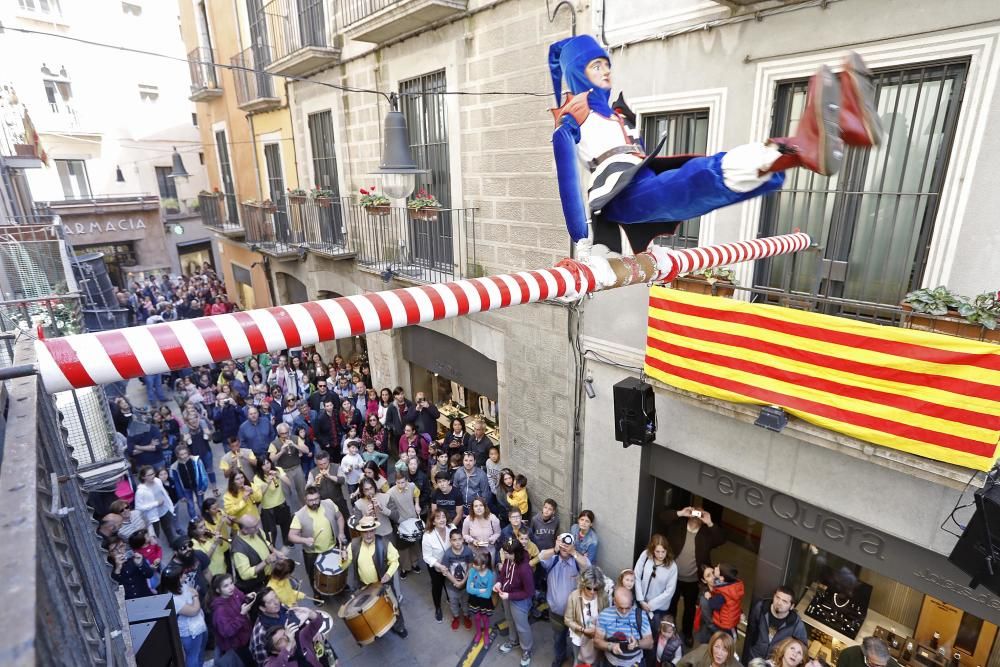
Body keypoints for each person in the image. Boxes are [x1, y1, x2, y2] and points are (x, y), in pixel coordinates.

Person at [547, 35, 880, 257]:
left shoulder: (619, 113)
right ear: (579, 72)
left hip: (642, 179)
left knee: (708, 177)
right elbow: (567, 182)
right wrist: (581, 240)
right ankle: (802, 144)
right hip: (616, 197)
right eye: (596, 66)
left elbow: (641, 158)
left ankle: (810, 145)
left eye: (607, 64)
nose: (605, 72)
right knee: (698, 178)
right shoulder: (574, 114)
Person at [341, 515, 408, 637]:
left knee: (393, 605)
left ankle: (399, 627)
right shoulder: (354, 545)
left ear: (374, 531)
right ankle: (377, 628)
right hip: (364, 588)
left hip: (383, 585)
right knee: (368, 610)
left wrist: (388, 574)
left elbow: (395, 560)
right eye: (365, 532)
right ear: (360, 532)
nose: (368, 535)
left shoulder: (384, 542)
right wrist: (342, 558)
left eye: (371, 531)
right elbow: (343, 566)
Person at [664, 506, 725, 641]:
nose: (696, 516)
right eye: (694, 513)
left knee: (690, 609)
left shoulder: (706, 534)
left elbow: (721, 540)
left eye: (699, 515)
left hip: (692, 580)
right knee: (671, 605)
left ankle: (687, 633)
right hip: (673, 577)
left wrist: (709, 522)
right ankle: (669, 631)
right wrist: (680, 513)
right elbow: (662, 517)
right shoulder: (677, 526)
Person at [539, 532, 592, 667]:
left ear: (573, 546)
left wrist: (574, 552)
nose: (565, 548)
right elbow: (541, 556)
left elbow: (588, 566)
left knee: (577, 641)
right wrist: (555, 549)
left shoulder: (576, 561)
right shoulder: (553, 558)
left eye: (568, 546)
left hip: (575, 614)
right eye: (562, 544)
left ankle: (576, 660)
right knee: (558, 638)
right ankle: (560, 657)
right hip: (556, 613)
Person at [289, 486, 347, 597]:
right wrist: (304, 540)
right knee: (313, 574)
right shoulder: (299, 516)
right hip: (313, 553)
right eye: (311, 500)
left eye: (316, 499)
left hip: (332, 546)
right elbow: (291, 536)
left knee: (340, 567)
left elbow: (339, 517)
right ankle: (317, 592)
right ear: (305, 500)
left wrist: (340, 532)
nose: (314, 502)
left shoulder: (329, 503)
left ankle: (340, 585)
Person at [635, 534, 678, 662]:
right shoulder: (645, 556)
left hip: (658, 610)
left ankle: (649, 663)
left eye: (663, 552)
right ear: (652, 550)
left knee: (652, 637)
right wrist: (641, 599)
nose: (660, 555)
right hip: (641, 603)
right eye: (657, 551)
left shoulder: (672, 566)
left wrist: (651, 605)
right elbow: (636, 575)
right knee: (638, 632)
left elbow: (669, 592)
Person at [496, 536, 536, 666]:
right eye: (504, 552)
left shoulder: (525, 568)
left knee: (522, 626)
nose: (505, 555)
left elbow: (529, 592)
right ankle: (513, 641)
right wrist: (499, 583)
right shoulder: (509, 559)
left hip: (519, 600)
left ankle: (526, 649)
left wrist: (509, 596)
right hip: (506, 594)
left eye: (507, 553)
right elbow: (504, 573)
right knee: (510, 620)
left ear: (516, 553)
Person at [742, 587, 809, 665]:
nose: (779, 603)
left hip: (775, 663)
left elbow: (803, 650)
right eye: (777, 597)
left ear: (791, 606)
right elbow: (750, 632)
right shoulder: (761, 608)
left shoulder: (796, 624)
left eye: (784, 601)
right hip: (753, 658)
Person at [161, 565, 209, 667]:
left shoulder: (182, 586)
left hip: (198, 625)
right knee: (192, 657)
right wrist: (196, 596)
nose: (185, 575)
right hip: (190, 632)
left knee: (199, 652)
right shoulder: (173, 599)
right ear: (175, 580)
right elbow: (194, 610)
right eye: (182, 575)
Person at [596, 586, 654, 667]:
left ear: (632, 603)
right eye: (620, 608)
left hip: (635, 663)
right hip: (611, 663)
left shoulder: (641, 615)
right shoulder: (604, 615)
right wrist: (611, 646)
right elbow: (597, 641)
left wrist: (637, 643)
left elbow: (650, 643)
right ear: (614, 602)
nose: (624, 612)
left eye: (627, 608)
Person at [565, 566, 609, 667]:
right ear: (583, 584)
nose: (592, 591)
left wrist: (599, 631)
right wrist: (583, 630)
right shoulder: (574, 596)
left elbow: (606, 617)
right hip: (579, 636)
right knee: (579, 661)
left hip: (597, 636)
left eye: (596, 588)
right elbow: (568, 619)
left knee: (595, 661)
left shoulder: (603, 596)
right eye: (589, 588)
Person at [208, 573, 255, 665]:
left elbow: (241, 598)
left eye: (231, 583)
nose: (231, 587)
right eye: (226, 586)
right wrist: (242, 615)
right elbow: (227, 632)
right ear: (218, 590)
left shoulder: (233, 592)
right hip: (236, 646)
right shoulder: (220, 611)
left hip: (245, 637)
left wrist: (247, 597)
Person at [231, 514, 284, 593]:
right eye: (254, 526)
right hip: (255, 585)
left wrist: (276, 551)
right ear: (245, 530)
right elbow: (245, 574)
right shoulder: (238, 550)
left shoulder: (256, 531)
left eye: (257, 524)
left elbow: (265, 541)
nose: (258, 527)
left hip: (266, 576)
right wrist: (266, 562)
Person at [262, 607, 329, 667]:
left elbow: (317, 622)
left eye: (285, 633)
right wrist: (289, 644)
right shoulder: (273, 662)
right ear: (274, 651)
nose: (287, 637)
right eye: (280, 640)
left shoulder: (300, 637)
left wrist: (309, 613)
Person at [422, 509, 455, 623]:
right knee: (437, 587)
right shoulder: (427, 536)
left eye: (443, 517)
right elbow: (426, 556)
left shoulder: (452, 528)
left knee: (450, 583)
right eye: (438, 517)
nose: (442, 520)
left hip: (452, 564)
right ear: (433, 522)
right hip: (436, 566)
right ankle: (438, 607)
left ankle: (450, 598)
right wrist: (439, 566)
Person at [252, 457, 293, 548]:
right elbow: (260, 495)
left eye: (268, 463)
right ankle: (271, 548)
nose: (266, 466)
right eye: (263, 464)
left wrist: (278, 476)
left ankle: (288, 543)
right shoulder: (257, 478)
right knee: (271, 531)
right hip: (268, 508)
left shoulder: (278, 470)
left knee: (286, 526)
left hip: (281, 503)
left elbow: (289, 483)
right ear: (260, 467)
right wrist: (268, 482)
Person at [387, 471, 422, 577]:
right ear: (395, 482)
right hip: (401, 523)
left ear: (407, 481)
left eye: (403, 482)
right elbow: (389, 507)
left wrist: (417, 504)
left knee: (414, 545)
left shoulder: (411, 486)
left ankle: (414, 563)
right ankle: (405, 568)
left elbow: (417, 493)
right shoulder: (390, 492)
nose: (401, 485)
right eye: (398, 483)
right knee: (403, 547)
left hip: (413, 520)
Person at [268, 423, 309, 510]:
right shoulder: (274, 443)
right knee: (287, 493)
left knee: (302, 490)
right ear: (278, 433)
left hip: (297, 468)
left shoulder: (295, 438)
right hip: (284, 471)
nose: (285, 435)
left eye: (287, 433)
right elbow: (272, 459)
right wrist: (281, 451)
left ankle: (307, 508)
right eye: (282, 434)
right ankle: (292, 513)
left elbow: (306, 450)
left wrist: (294, 445)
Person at [440, 528, 474, 631]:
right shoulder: (447, 554)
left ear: (463, 539)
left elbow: (470, 566)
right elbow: (445, 571)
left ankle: (466, 615)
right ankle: (455, 617)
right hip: (451, 586)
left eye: (459, 539)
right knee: (453, 603)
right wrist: (456, 582)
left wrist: (463, 582)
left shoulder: (468, 551)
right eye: (454, 540)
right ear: (450, 541)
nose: (457, 542)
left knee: (465, 601)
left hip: (465, 584)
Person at [700, 564, 744, 642]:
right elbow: (710, 623)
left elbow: (731, 602)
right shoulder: (705, 599)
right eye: (708, 576)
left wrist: (740, 612)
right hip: (715, 636)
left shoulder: (723, 588)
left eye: (713, 572)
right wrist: (723, 636)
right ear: (704, 580)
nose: (713, 577)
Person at [134, 465, 178, 542]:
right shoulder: (140, 491)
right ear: (143, 477)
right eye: (150, 475)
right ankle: (156, 550)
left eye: (153, 473)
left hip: (164, 510)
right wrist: (156, 503)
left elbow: (163, 493)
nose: (153, 476)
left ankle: (173, 544)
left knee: (168, 528)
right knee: (155, 534)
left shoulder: (158, 481)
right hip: (152, 516)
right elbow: (138, 507)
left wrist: (169, 504)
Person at [306, 450, 350, 522]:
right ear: (316, 463)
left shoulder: (336, 467)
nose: (323, 466)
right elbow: (307, 489)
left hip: (338, 501)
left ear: (328, 460)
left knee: (345, 521)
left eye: (325, 463)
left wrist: (330, 476)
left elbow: (343, 480)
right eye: (320, 464)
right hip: (323, 504)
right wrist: (315, 482)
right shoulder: (312, 472)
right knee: (330, 523)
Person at [169, 444, 209, 522]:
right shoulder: (175, 467)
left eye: (185, 453)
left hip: (198, 486)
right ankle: (193, 518)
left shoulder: (196, 460)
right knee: (190, 505)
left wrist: (203, 486)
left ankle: (204, 516)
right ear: (178, 455)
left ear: (188, 452)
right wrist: (181, 495)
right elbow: (177, 481)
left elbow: (203, 474)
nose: (184, 456)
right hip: (186, 488)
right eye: (181, 454)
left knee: (201, 503)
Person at [466, 551, 496, 647]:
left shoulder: (490, 575)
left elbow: (487, 595)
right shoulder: (472, 571)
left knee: (485, 618)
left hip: (485, 602)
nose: (473, 566)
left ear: (483, 566)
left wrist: (474, 589)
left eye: (476, 565)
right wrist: (481, 590)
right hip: (474, 600)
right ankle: (478, 633)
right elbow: (468, 589)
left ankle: (486, 634)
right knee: (477, 617)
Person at [452, 451, 492, 516]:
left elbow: (485, 494)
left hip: (476, 507)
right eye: (466, 460)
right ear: (463, 461)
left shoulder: (481, 474)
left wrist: (481, 508)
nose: (468, 463)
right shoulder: (458, 472)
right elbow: (455, 490)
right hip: (462, 506)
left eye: (471, 460)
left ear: (475, 461)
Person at [383, 386, 414, 459]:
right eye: (398, 394)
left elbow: (413, 417)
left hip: (408, 433)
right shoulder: (391, 406)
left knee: (409, 452)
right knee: (398, 455)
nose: (400, 396)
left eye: (402, 394)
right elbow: (387, 421)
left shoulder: (409, 404)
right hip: (397, 435)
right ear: (394, 396)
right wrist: (394, 428)